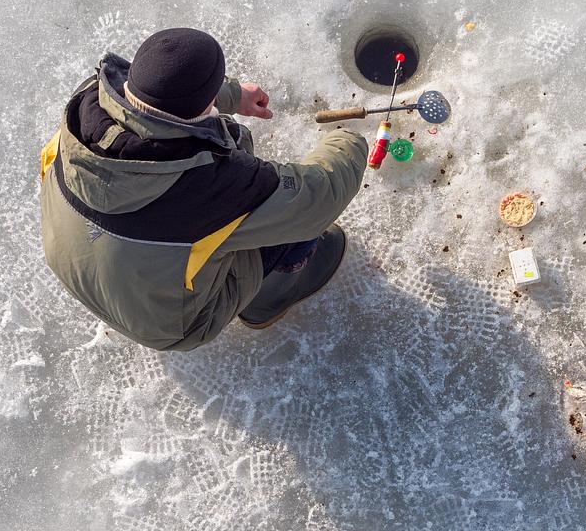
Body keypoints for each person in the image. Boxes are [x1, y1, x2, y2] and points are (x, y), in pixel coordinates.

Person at [40, 27, 368, 351]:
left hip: (74, 263)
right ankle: (268, 298)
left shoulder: (85, 104)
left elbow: (149, 99)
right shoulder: (211, 187)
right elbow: (316, 198)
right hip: (168, 325)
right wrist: (348, 139)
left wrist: (230, 95)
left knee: (231, 162)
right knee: (292, 220)